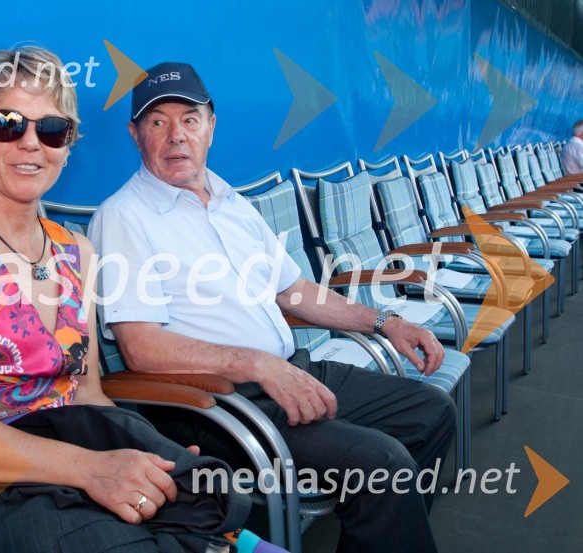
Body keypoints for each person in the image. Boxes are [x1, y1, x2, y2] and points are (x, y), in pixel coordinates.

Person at [0, 47, 253, 553]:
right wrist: (93, 469)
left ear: (68, 145)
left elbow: (86, 396)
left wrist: (138, 449)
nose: (31, 144)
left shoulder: (75, 251)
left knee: (216, 505)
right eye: (8, 124)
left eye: (52, 129)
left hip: (79, 459)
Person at [87, 62, 457, 553]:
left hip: (284, 371)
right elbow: (141, 348)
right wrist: (258, 366)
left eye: (190, 119)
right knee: (383, 466)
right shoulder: (122, 218)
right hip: (215, 406)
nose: (176, 135)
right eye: (158, 122)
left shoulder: (230, 201)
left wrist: (386, 321)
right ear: (136, 134)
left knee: (431, 411)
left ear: (211, 127)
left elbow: (294, 290)